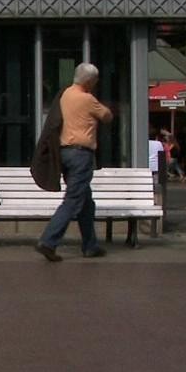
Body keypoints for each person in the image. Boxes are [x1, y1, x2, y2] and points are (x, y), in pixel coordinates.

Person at [35, 62, 114, 262]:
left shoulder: (65, 95)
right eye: (95, 80)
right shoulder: (87, 99)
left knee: (85, 201)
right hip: (81, 155)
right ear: (89, 81)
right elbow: (107, 116)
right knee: (73, 200)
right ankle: (49, 240)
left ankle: (90, 245)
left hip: (65, 153)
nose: (96, 84)